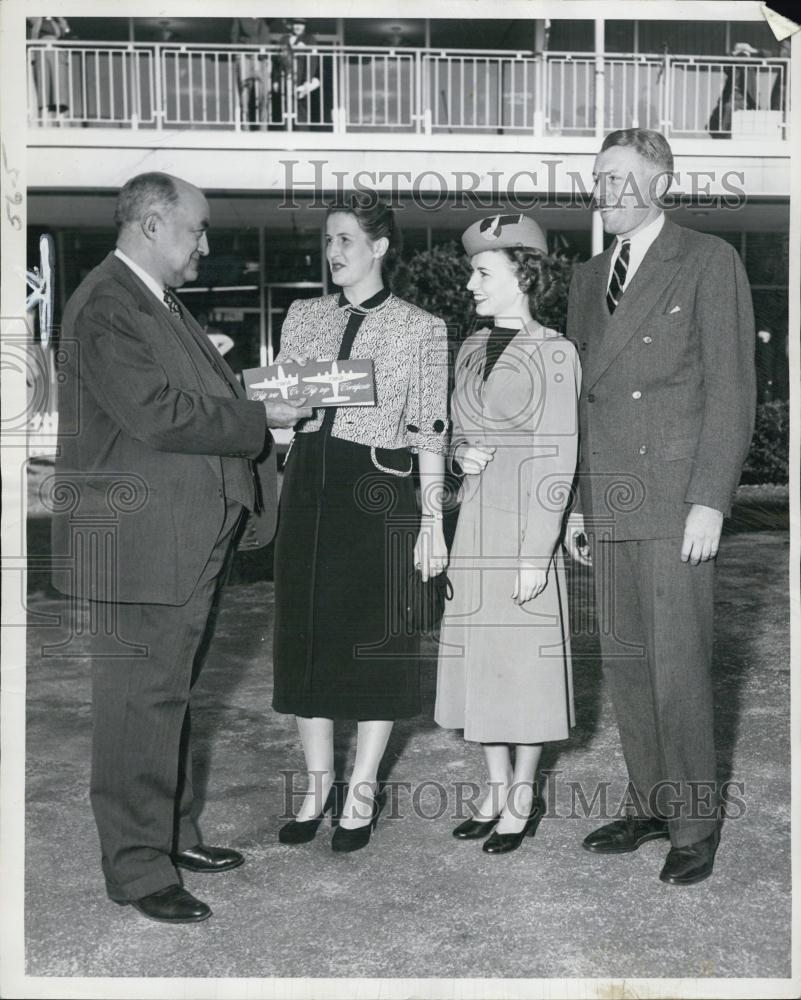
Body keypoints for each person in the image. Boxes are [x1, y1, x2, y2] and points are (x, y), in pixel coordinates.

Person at [50, 172, 312, 924]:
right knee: (139, 704)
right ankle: (137, 869)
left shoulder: (153, 302)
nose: (204, 245)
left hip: (177, 539)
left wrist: (254, 397)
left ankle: (171, 833)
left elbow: (205, 393)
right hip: (139, 544)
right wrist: (259, 414)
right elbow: (160, 414)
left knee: (171, 697)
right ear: (154, 224)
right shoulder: (107, 303)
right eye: (196, 230)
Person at [565, 129, 756, 885]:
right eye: (598, 180)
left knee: (677, 668)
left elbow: (732, 390)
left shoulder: (708, 261)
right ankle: (649, 801)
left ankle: (693, 824)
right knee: (627, 664)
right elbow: (583, 402)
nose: (605, 193)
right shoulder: (586, 276)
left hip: (675, 500)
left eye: (619, 179)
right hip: (609, 497)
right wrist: (579, 506)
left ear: (661, 182)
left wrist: (709, 499)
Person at [272, 195, 449, 853]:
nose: (334, 251)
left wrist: (431, 523)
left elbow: (431, 427)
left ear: (379, 247)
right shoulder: (302, 316)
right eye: (327, 240)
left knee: (376, 641)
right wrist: (275, 403)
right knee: (307, 641)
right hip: (309, 488)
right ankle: (317, 786)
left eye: (346, 239)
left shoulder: (420, 327)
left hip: (379, 491)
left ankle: (363, 790)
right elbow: (279, 406)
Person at [435, 214, 581, 854]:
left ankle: (523, 795)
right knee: (480, 662)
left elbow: (560, 457)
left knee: (523, 669)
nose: (470, 282)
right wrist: (460, 451)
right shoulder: (469, 347)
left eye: (481, 272)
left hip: (524, 532)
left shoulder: (555, 351)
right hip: (474, 526)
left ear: (522, 274)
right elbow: (457, 427)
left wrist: (536, 555)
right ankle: (494, 788)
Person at [270, 17, 320, 128]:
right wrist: (275, 80)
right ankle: (286, 133)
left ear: (305, 26)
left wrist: (308, 80)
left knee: (301, 109)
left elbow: (313, 61)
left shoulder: (309, 39)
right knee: (286, 108)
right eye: (295, 24)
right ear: (291, 25)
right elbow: (276, 62)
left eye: (301, 24)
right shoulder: (284, 39)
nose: (298, 27)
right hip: (285, 79)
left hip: (302, 79)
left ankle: (302, 137)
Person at [231, 17, 272, 129]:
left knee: (264, 93)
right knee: (245, 92)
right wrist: (238, 56)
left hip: (261, 59)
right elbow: (234, 37)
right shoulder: (240, 18)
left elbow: (266, 38)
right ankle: (245, 125)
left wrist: (266, 57)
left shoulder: (264, 19)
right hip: (246, 58)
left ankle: (263, 126)